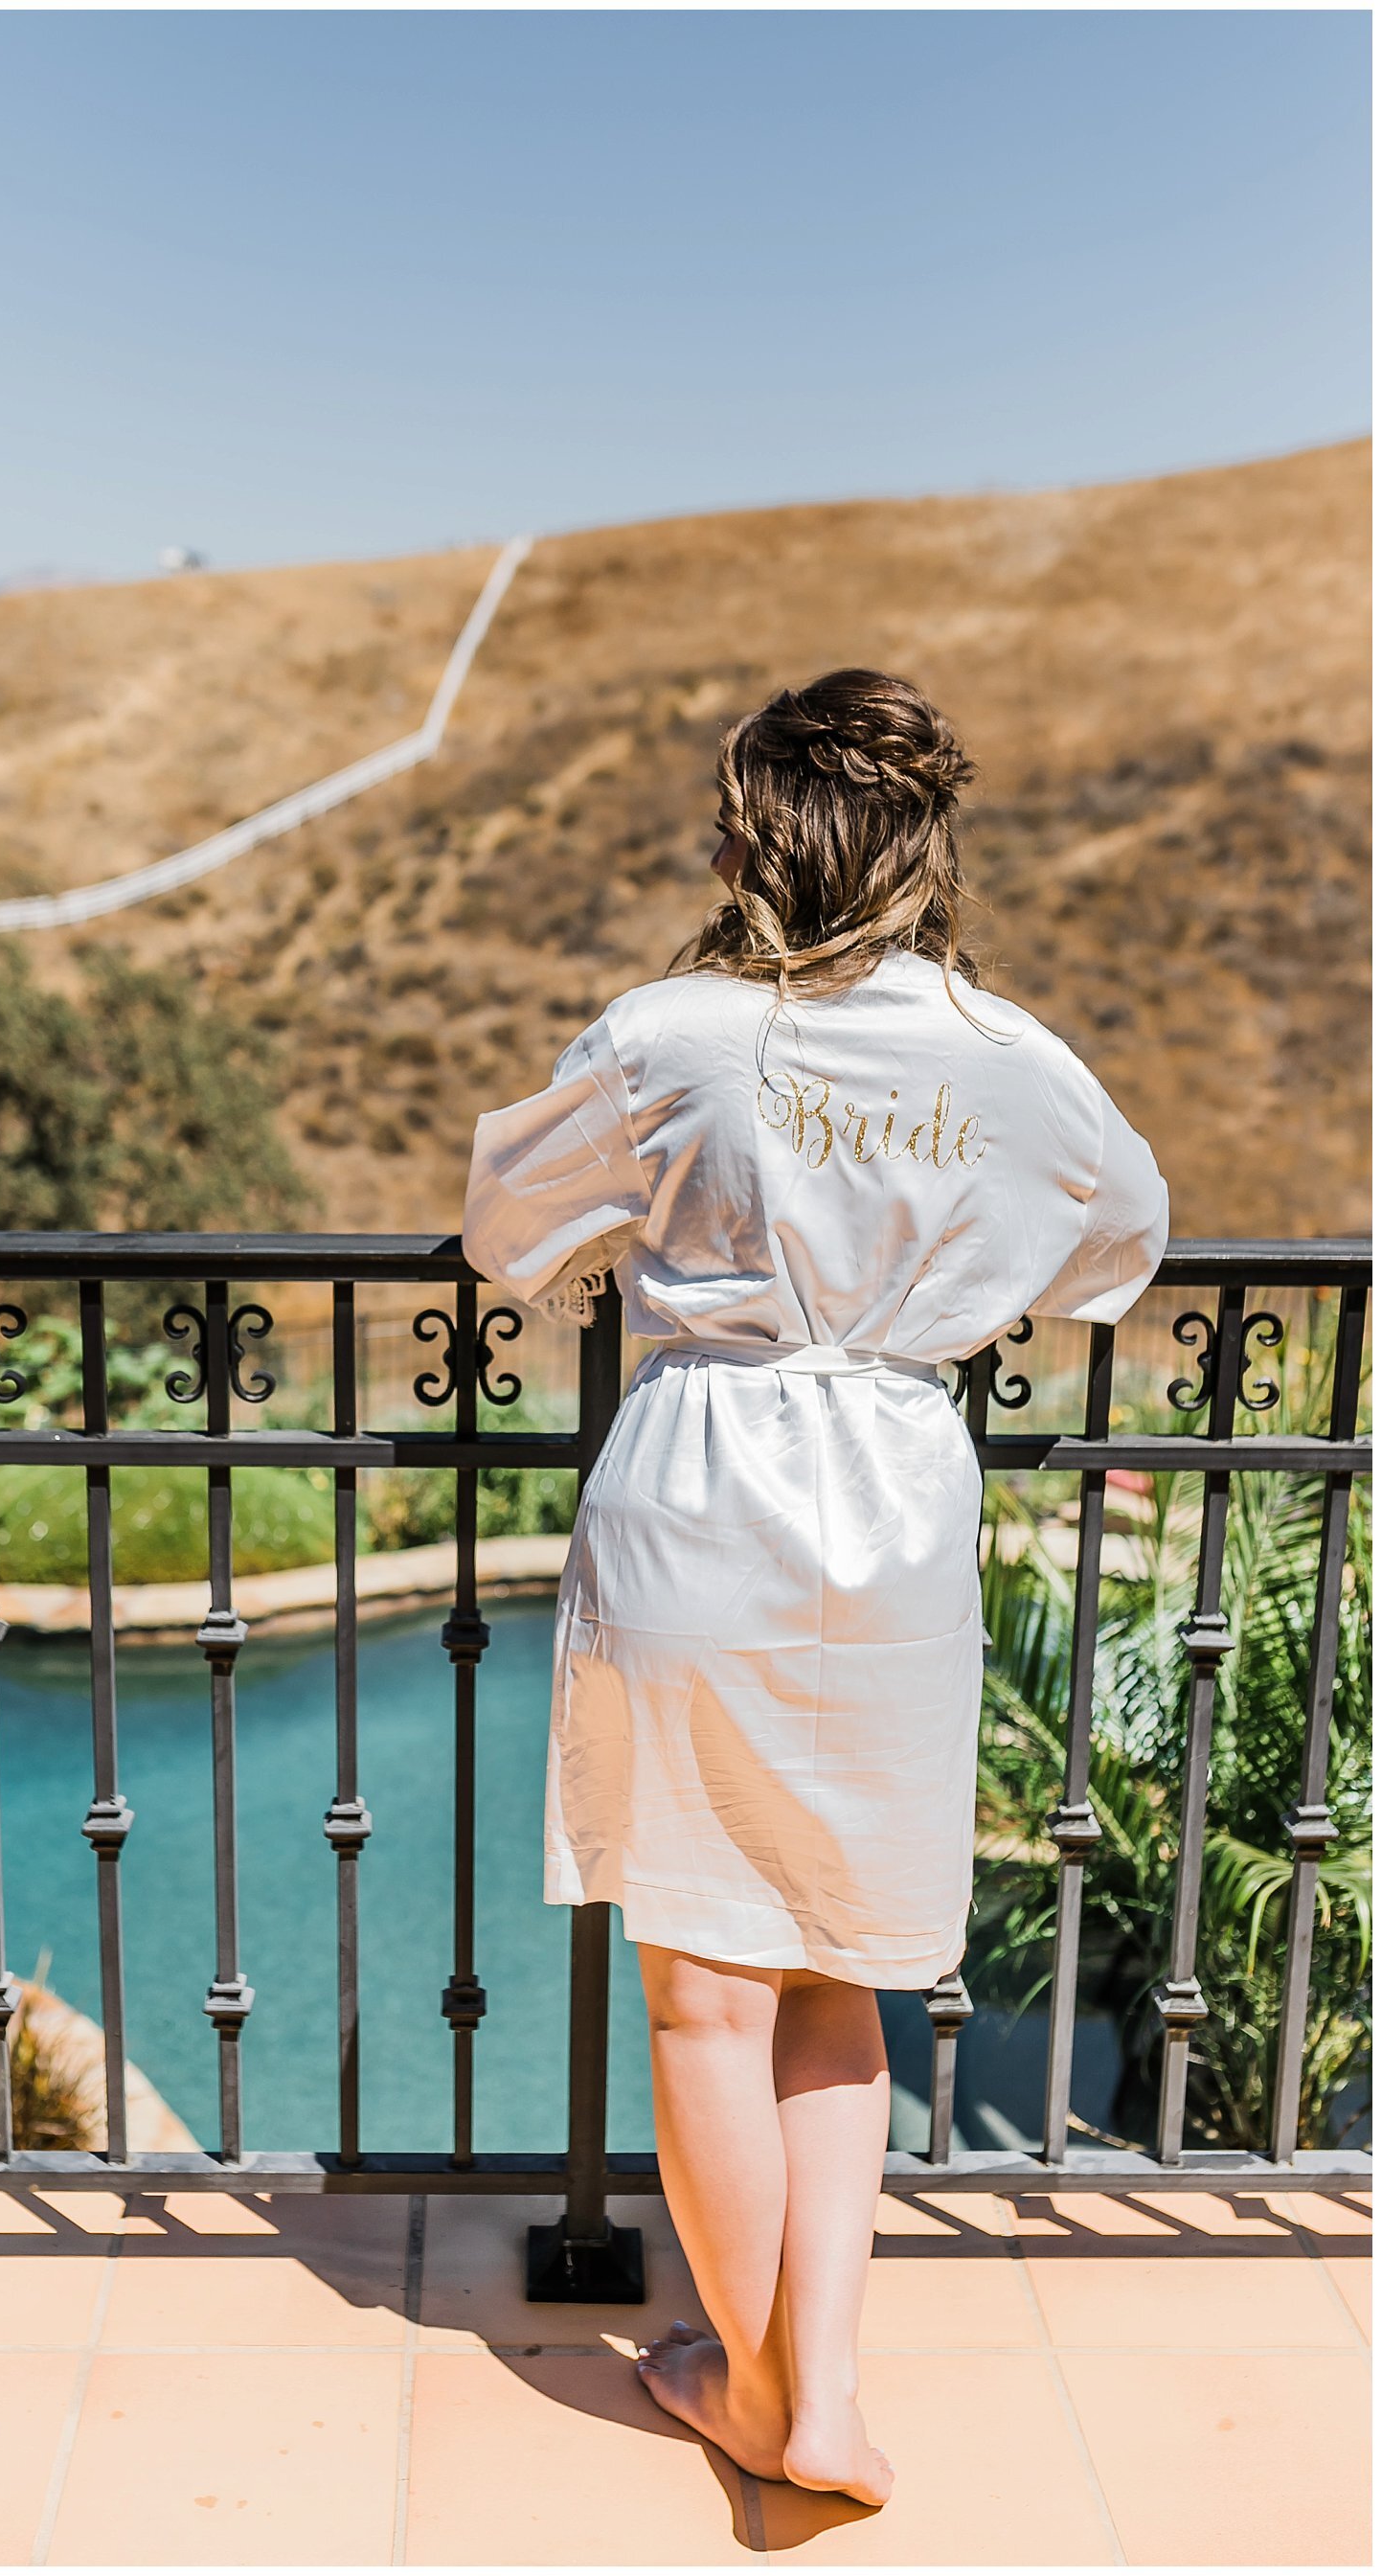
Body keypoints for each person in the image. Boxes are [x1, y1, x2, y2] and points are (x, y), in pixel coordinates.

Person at [460, 671, 1168, 2505]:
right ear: (927, 847)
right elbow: (1118, 1244)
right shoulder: (1020, 1063)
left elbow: (505, 1223)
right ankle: (820, 2392)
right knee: (845, 1977)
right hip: (900, 1499)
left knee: (706, 1987)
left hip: (707, 1494)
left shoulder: (673, 1033)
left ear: (752, 842)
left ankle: (760, 2388)